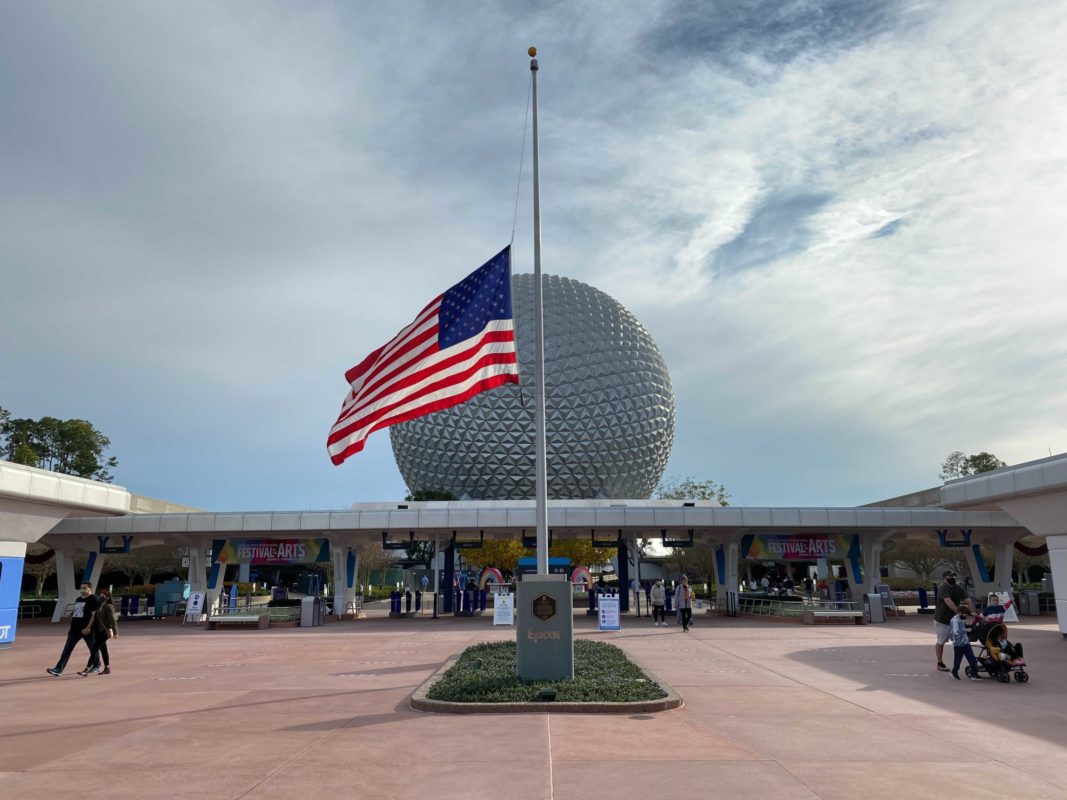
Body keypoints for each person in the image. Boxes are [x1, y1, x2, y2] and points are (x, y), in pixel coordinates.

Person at [46, 582, 100, 677]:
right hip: (75, 630)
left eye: (84, 588)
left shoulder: (94, 599)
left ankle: (96, 665)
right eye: (81, 588)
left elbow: (94, 616)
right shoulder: (78, 599)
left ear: (90, 589)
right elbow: (76, 614)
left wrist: (88, 628)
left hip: (87, 630)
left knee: (93, 648)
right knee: (67, 649)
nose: (82, 590)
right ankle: (59, 669)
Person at [934, 569, 970, 672]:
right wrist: (959, 611)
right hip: (943, 619)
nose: (953, 579)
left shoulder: (958, 588)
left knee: (962, 639)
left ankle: (968, 661)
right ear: (945, 578)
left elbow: (967, 600)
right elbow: (948, 601)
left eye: (954, 576)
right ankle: (939, 662)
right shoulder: (943, 588)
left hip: (955, 620)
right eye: (950, 577)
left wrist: (973, 611)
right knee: (942, 641)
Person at [81, 588, 118, 676]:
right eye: (100, 596)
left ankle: (87, 669)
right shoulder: (99, 606)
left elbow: (113, 620)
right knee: (103, 649)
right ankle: (107, 668)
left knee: (94, 649)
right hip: (98, 631)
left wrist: (116, 632)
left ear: (108, 597)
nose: (100, 597)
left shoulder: (108, 607)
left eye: (103, 596)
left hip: (104, 632)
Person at [949, 606, 981, 681]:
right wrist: (966, 630)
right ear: (960, 613)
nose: (966, 617)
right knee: (958, 660)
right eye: (965, 615)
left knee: (972, 659)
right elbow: (956, 632)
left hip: (965, 642)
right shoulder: (955, 620)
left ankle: (974, 673)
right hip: (958, 644)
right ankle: (954, 672)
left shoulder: (961, 619)